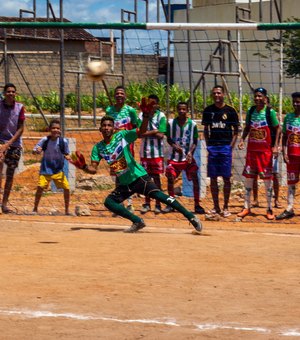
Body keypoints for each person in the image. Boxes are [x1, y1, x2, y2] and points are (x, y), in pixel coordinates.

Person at [78, 112, 202, 234]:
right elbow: (93, 169)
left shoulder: (122, 136)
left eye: (109, 125)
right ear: (100, 129)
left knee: (161, 197)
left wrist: (146, 117)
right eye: (104, 125)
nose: (106, 128)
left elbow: (141, 131)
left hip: (138, 177)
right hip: (124, 182)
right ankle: (137, 221)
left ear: (113, 128)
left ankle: (191, 217)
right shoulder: (98, 148)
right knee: (109, 202)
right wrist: (83, 166)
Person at [238, 87, 281, 220]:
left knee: (267, 181)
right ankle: (247, 207)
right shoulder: (251, 111)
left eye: (260, 96)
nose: (257, 98)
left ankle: (269, 208)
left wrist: (275, 146)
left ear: (265, 98)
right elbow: (247, 128)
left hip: (265, 152)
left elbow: (278, 129)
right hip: (252, 152)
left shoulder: (269, 112)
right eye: (256, 96)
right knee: (249, 179)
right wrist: (242, 139)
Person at [202, 85, 239, 217]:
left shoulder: (230, 111)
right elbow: (206, 129)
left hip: (225, 148)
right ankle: (216, 207)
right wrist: (208, 145)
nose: (216, 95)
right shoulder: (208, 110)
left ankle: (226, 207)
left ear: (223, 94)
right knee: (213, 178)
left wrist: (230, 146)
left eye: (219, 93)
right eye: (214, 93)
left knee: (226, 178)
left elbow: (236, 131)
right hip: (213, 148)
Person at [163, 101, 205, 214]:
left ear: (187, 111)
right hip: (174, 157)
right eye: (180, 109)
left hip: (187, 158)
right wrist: (174, 145)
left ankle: (197, 204)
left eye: (184, 109)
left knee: (195, 178)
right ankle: (171, 203)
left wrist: (191, 152)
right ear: (177, 110)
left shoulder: (193, 125)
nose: (182, 111)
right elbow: (168, 138)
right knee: (170, 178)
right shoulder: (171, 123)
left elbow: (195, 141)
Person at [106, 85, 138, 212]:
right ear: (114, 96)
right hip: (114, 147)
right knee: (118, 174)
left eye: (121, 93)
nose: (119, 95)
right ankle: (119, 202)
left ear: (125, 96)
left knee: (128, 173)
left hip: (127, 146)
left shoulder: (131, 111)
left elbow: (136, 128)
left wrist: (126, 134)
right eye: (117, 93)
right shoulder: (109, 110)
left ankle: (130, 202)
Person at [32, 119, 71, 215]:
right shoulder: (45, 140)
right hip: (46, 169)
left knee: (66, 188)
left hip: (58, 170)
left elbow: (67, 153)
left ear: (60, 130)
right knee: (40, 187)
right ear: (49, 129)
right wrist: (37, 150)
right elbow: (34, 150)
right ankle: (35, 208)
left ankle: (67, 210)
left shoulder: (63, 141)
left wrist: (68, 156)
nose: (55, 130)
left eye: (57, 128)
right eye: (53, 128)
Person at [138, 94, 167, 214]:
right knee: (146, 179)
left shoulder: (161, 116)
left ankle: (158, 204)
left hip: (157, 153)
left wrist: (148, 132)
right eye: (149, 103)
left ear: (157, 105)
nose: (151, 105)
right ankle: (147, 203)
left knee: (156, 179)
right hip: (144, 153)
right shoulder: (141, 115)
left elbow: (161, 135)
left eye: (153, 103)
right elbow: (139, 134)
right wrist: (155, 131)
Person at [252, 95, 282, 208]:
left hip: (270, 149)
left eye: (266, 102)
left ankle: (277, 200)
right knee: (254, 174)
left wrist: (276, 146)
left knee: (274, 174)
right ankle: (255, 199)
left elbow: (279, 130)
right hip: (258, 149)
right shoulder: (255, 113)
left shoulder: (271, 114)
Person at [0, 83, 25, 214]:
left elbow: (21, 128)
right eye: (8, 91)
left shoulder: (19, 108)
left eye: (13, 91)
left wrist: (8, 144)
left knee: (10, 175)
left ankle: (4, 204)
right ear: (4, 93)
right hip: (0, 142)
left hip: (13, 144)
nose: (11, 93)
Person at [276, 92, 300, 220]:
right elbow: (284, 136)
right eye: (294, 102)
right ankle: (290, 208)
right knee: (291, 183)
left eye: (298, 102)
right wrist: (284, 152)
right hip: (292, 156)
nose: (296, 104)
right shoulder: (288, 118)